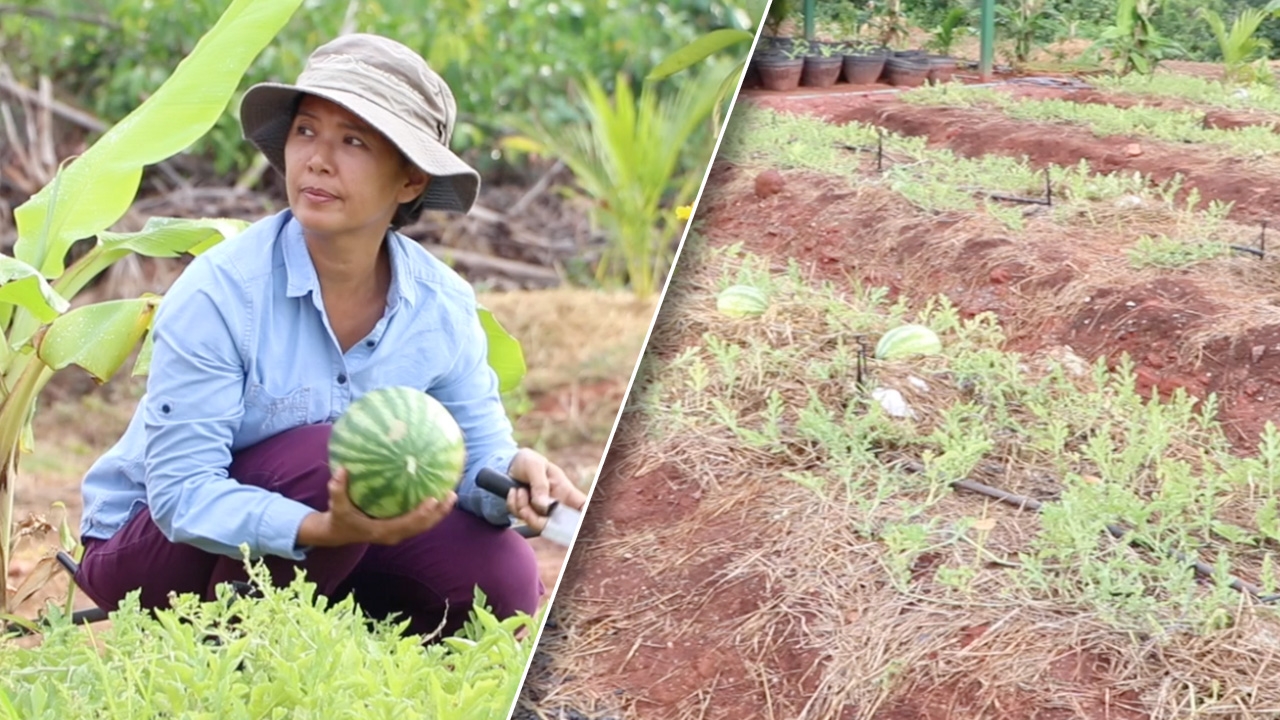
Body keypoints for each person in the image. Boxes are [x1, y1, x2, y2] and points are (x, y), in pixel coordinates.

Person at [74, 33, 587, 639]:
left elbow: (476, 456)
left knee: (501, 580)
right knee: (329, 461)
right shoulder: (223, 290)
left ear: (410, 180)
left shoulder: (441, 306)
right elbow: (183, 493)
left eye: (353, 141)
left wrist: (514, 478)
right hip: (151, 547)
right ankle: (228, 662)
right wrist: (319, 532)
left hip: (337, 542)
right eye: (306, 131)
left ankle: (354, 662)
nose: (317, 159)